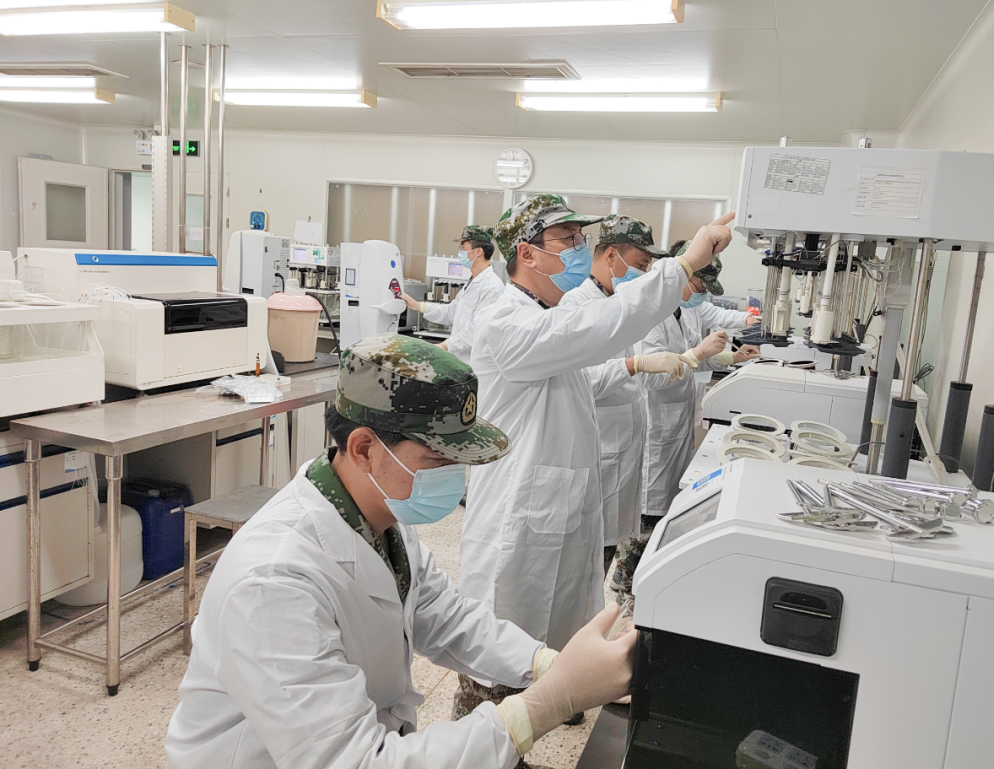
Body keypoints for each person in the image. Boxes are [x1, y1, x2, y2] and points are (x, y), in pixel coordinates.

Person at [165, 334, 636, 769]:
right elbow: (354, 762)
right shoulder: (272, 582)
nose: (454, 476)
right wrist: (544, 704)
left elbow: (446, 617)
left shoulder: (377, 513)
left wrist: (545, 665)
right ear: (364, 448)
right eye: (437, 460)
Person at [455, 193, 736, 721]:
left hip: (554, 501)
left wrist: (640, 365)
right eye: (566, 239)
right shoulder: (505, 320)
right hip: (518, 509)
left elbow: (583, 375)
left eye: (580, 237)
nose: (579, 248)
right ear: (527, 252)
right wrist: (682, 266)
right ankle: (482, 734)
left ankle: (559, 692)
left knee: (555, 620)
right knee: (499, 646)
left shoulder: (547, 315)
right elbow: (599, 327)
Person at [610, 243, 759, 603]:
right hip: (656, 423)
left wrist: (728, 357)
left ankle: (638, 576)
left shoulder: (684, 311)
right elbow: (651, 377)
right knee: (648, 509)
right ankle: (627, 583)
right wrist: (696, 353)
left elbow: (694, 359)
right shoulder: (650, 315)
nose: (703, 293)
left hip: (677, 417)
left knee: (666, 504)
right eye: (700, 285)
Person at [559, 214, 690, 576]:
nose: (644, 273)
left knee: (606, 552)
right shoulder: (577, 305)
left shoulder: (616, 302)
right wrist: (634, 365)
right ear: (611, 255)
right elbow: (580, 383)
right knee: (586, 563)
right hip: (599, 452)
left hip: (621, 451)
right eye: (640, 265)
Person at [399, 225, 504, 366]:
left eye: (463, 248)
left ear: (478, 251)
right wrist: (418, 306)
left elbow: (478, 330)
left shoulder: (491, 288)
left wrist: (445, 345)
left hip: (476, 365)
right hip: (461, 360)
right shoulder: (472, 283)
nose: (460, 252)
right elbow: (450, 312)